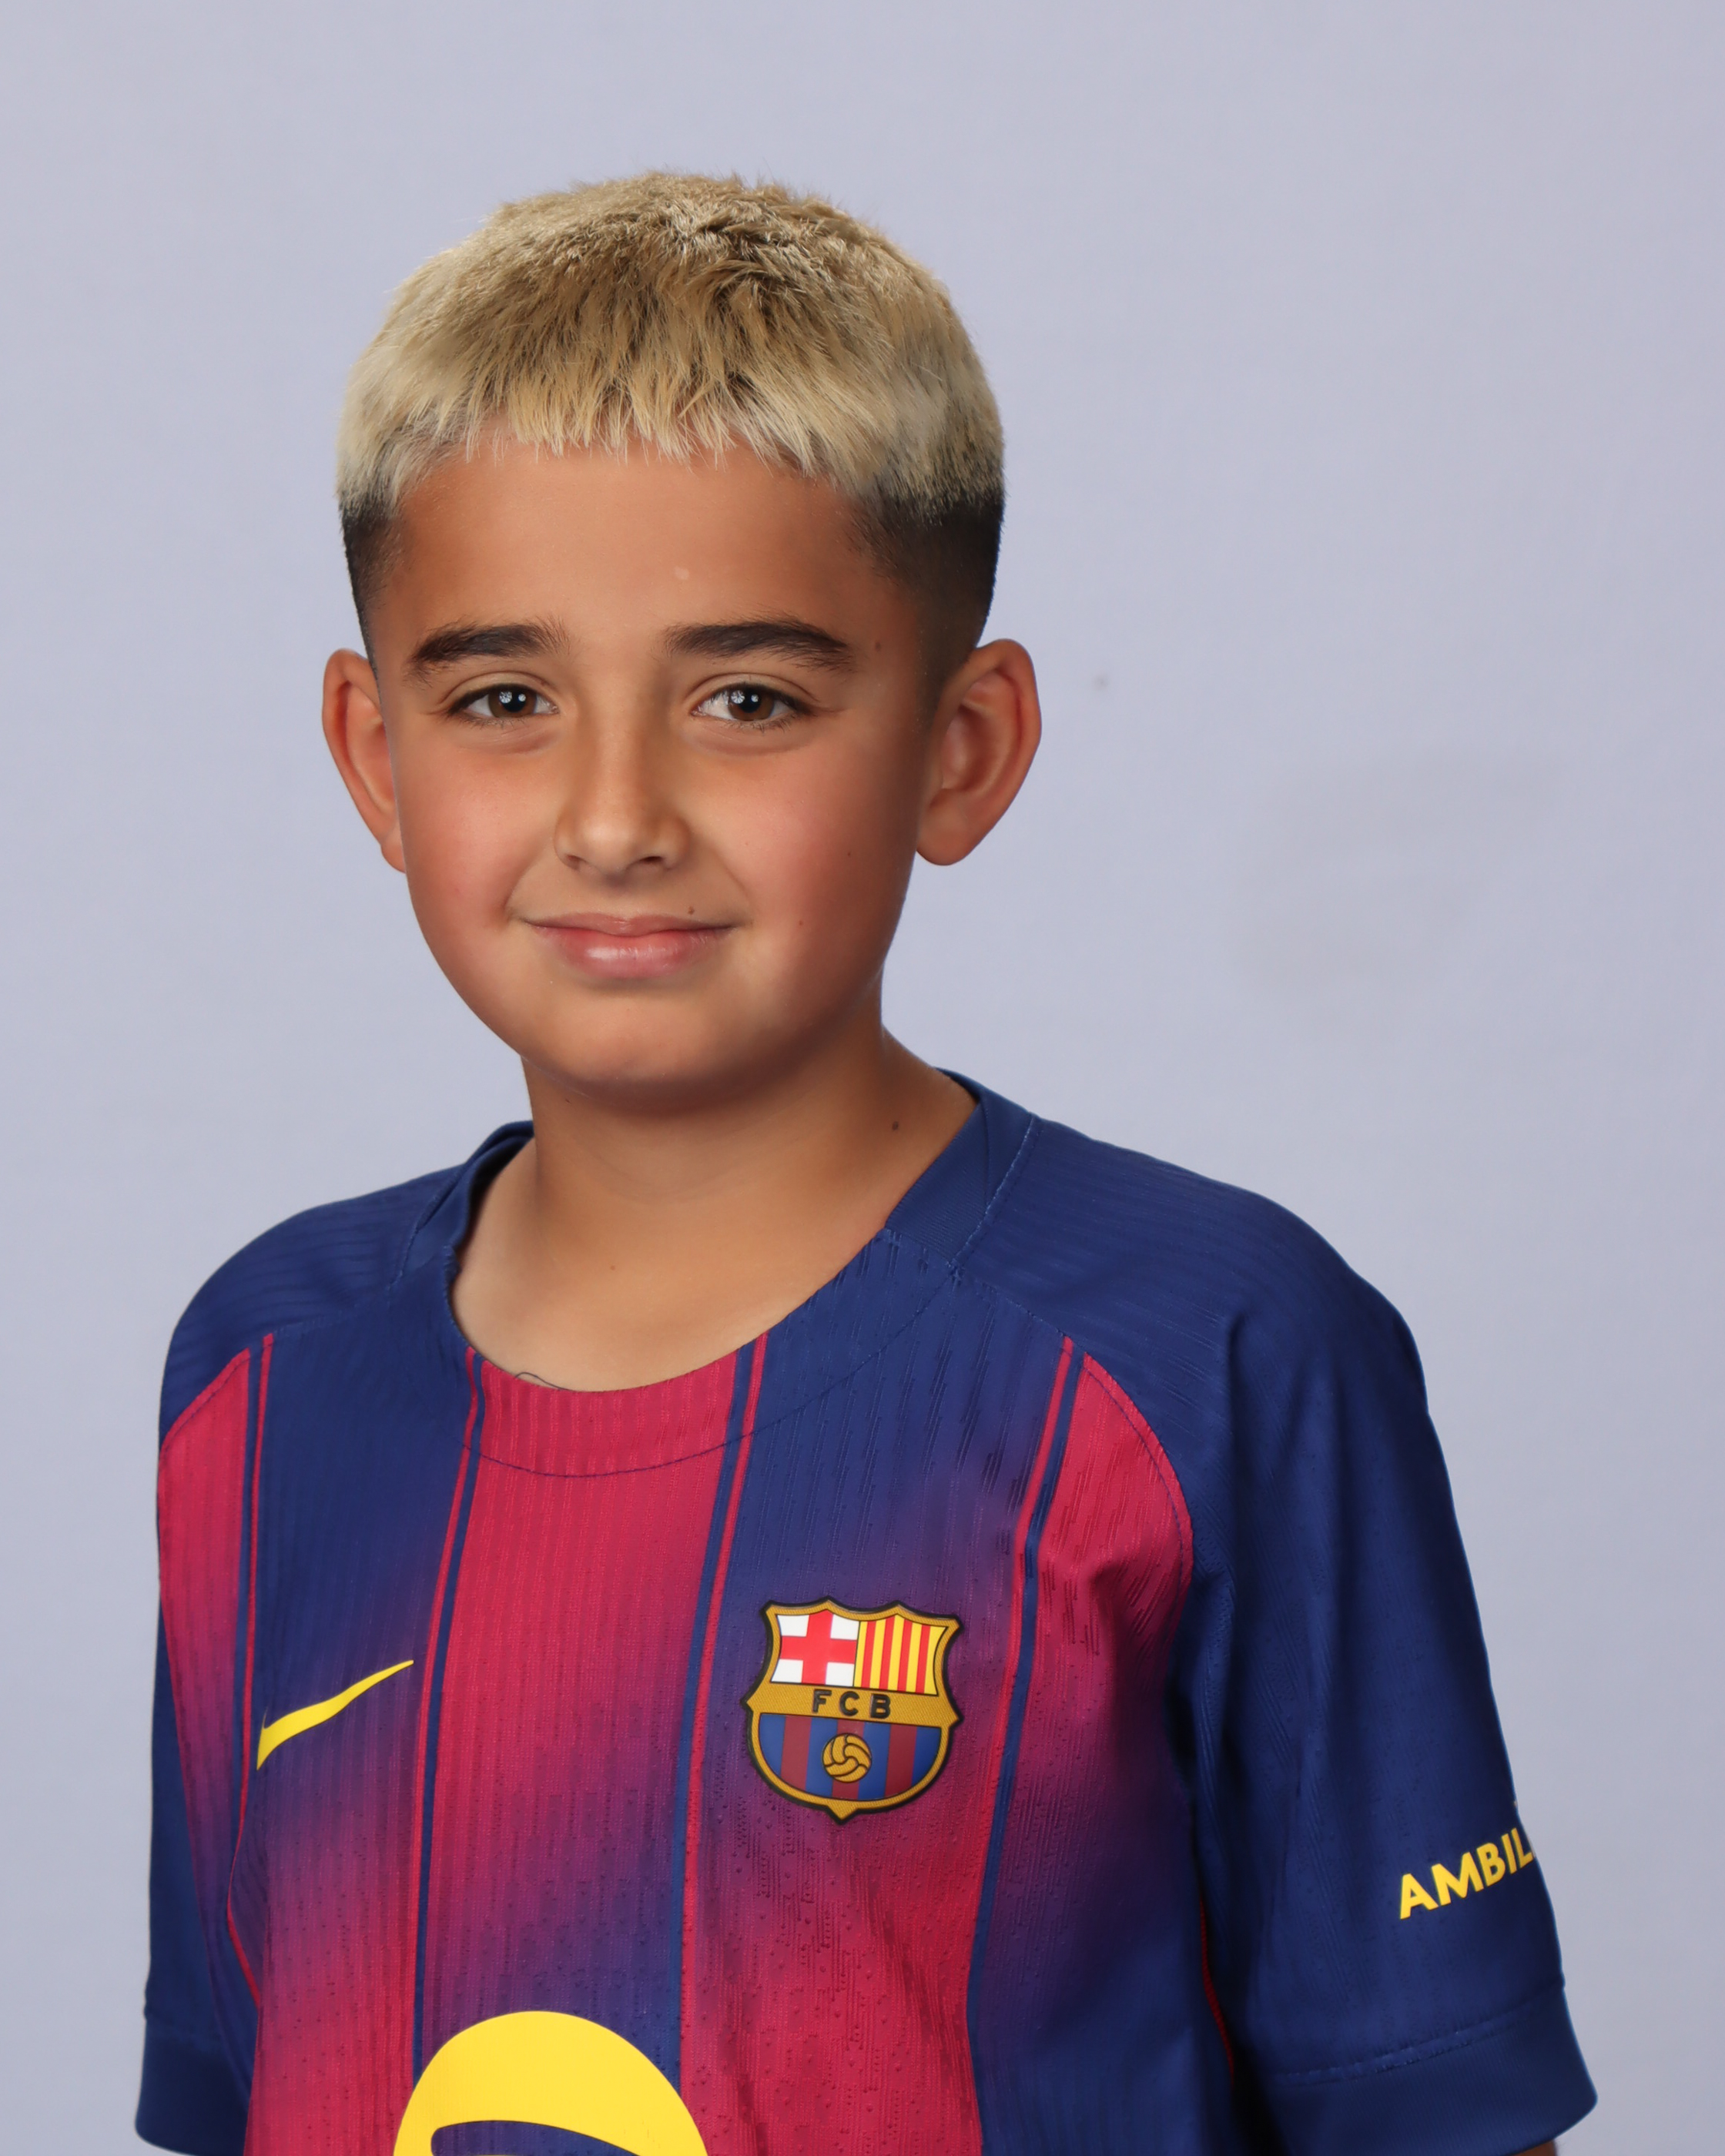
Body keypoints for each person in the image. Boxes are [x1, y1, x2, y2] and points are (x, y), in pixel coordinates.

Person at [137, 175, 1595, 2156]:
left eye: (748, 698)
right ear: (375, 754)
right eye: (503, 699)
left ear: (960, 746)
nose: (616, 816)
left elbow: (1435, 2117)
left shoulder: (1214, 1351)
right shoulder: (258, 1372)